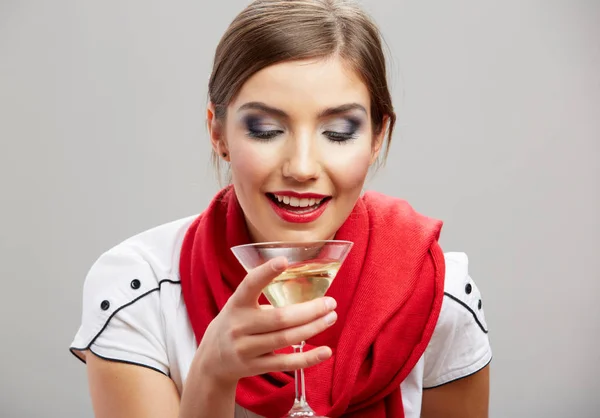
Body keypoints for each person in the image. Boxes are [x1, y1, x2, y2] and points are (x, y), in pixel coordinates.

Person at [69, 0, 492, 417]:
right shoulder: (138, 291)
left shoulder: (438, 293)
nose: (302, 168)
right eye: (266, 130)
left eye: (339, 132)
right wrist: (212, 374)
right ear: (218, 132)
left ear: (378, 136)